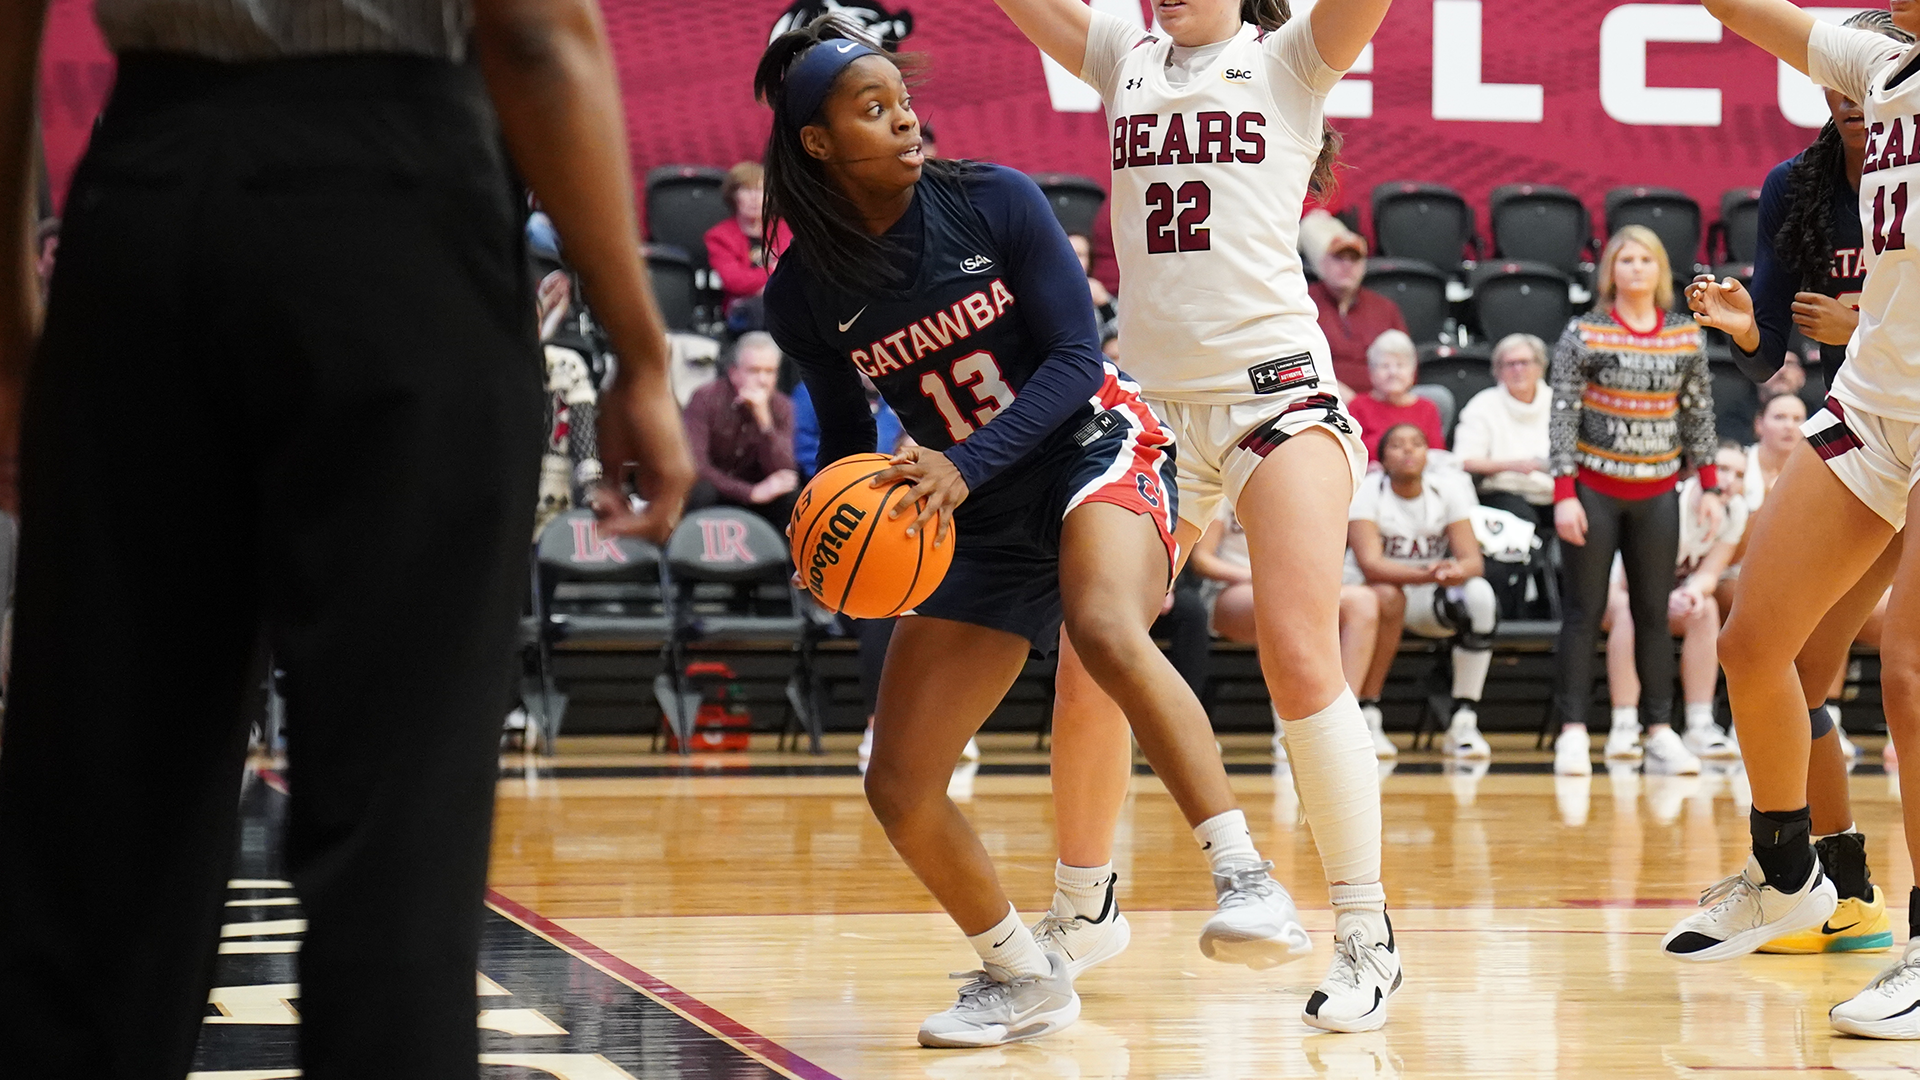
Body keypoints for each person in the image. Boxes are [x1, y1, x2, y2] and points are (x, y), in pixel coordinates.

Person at [0, 0, 697, 1074]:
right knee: (395, 848)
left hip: (148, 199)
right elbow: (533, 33)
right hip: (398, 207)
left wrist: (12, 340)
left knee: (99, 843)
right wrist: (642, 359)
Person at [756, 21, 1303, 1048]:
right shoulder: (802, 294)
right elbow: (846, 441)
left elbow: (1075, 360)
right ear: (818, 144)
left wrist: (963, 463)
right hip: (972, 508)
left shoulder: (992, 199)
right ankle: (1020, 973)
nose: (905, 119)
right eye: (873, 109)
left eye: (903, 100)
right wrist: (832, 529)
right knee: (898, 781)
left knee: (1104, 626)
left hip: (1091, 442)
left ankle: (1246, 878)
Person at [995, 0, 1403, 1034]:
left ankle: (1366, 934)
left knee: (1298, 651)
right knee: (1092, 653)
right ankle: (1084, 909)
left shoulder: (1290, 60)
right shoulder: (1121, 55)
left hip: (1276, 397)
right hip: (1154, 415)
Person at [1679, 3, 1919, 1002]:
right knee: (1757, 645)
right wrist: (1752, 327)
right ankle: (1796, 876)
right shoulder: (1881, 72)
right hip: (1868, 404)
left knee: (1908, 675)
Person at [1548, 225, 1723, 778]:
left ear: (1660, 270)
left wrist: (1711, 486)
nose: (1637, 268)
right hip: (1593, 490)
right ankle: (1573, 732)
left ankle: (1660, 731)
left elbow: (1698, 412)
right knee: (1584, 612)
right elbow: (1563, 414)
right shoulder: (1583, 332)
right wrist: (1563, 492)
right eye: (1626, 260)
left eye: (1646, 259)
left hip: (1658, 492)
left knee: (1653, 613)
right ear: (1611, 272)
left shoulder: (1685, 336)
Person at [1190, 505, 1393, 757]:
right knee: (1281, 600)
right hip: (1231, 591)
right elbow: (1202, 560)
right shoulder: (1224, 495)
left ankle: (1341, 722)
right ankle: (1291, 728)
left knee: (1363, 602)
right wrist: (1257, 577)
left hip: (1295, 587)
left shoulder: (1305, 491)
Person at [1346, 425, 1498, 759]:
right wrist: (1427, 573)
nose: (1408, 451)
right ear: (1382, 457)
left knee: (1480, 595)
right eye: (1397, 445)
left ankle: (1464, 719)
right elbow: (1371, 565)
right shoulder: (1366, 491)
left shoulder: (1447, 490)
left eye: (1417, 444)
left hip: (1425, 595)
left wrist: (1455, 571)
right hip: (1369, 593)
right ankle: (1367, 712)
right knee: (1388, 595)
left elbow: (1473, 562)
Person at [1601, 445, 1749, 773]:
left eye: (1739, 475)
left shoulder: (1736, 510)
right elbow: (1627, 578)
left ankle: (1699, 725)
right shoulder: (1671, 502)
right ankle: (1624, 727)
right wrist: (1657, 596)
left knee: (1705, 609)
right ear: (1700, 470)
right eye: (1722, 469)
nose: (1729, 480)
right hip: (1618, 589)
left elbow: (1710, 572)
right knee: (1631, 612)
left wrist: (1692, 592)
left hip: (1665, 595)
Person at [682, 332, 800, 526]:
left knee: (791, 497)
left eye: (770, 372)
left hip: (761, 496)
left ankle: (783, 547)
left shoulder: (783, 406)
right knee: (701, 490)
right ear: (733, 372)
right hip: (717, 491)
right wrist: (750, 493)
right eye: (754, 371)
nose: (763, 380)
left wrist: (764, 421)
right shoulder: (705, 398)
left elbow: (785, 471)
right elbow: (696, 465)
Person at [1455, 333, 1554, 532]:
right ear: (1498, 371)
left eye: (1524, 363)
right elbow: (1464, 460)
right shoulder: (1482, 405)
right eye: (1510, 364)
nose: (1518, 370)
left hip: (1553, 493)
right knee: (1523, 522)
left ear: (1539, 367)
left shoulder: (1557, 403)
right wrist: (1514, 466)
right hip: (1502, 491)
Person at [1309, 225, 1409, 399]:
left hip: (1382, 398)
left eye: (1354, 259)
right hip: (1322, 395)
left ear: (1364, 266)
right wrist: (1334, 389)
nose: (1347, 266)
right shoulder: (1305, 302)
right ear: (1323, 264)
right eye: (1339, 258)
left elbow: (1406, 360)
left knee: (1438, 396)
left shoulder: (1385, 307)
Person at [704, 161, 791, 333]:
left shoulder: (784, 229)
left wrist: (765, 283)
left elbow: (794, 275)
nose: (754, 198)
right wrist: (773, 270)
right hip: (744, 311)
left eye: (760, 190)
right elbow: (734, 281)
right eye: (746, 190)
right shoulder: (719, 236)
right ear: (733, 196)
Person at [1346, 329, 1445, 453]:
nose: (1393, 373)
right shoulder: (1358, 406)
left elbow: (1437, 455)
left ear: (1413, 371)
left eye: (1400, 365)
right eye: (1385, 366)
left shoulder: (1428, 408)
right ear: (1371, 372)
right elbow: (1353, 453)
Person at [1067, 232, 1119, 340]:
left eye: (1079, 255)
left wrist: (1104, 305)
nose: (1073, 259)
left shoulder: (1096, 292)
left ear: (1089, 261)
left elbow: (1123, 334)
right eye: (1067, 253)